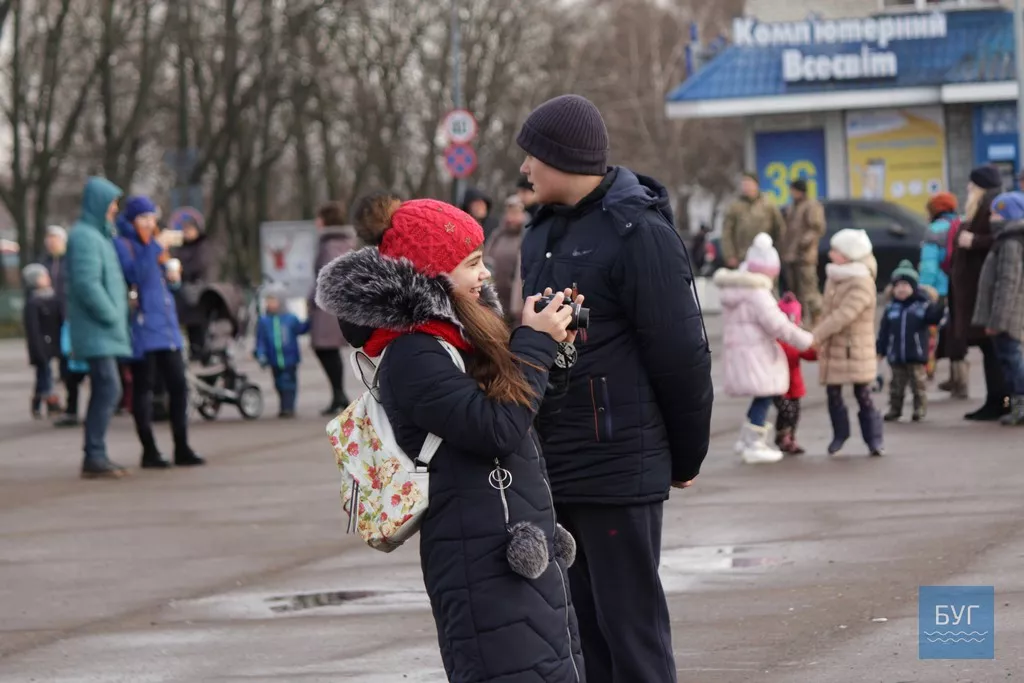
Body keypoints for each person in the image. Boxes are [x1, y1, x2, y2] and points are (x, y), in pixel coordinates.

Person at [314, 196, 585, 683]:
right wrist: (534, 344)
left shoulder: (462, 339)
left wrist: (555, 354)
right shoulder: (415, 353)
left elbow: (529, 421)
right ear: (433, 272)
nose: (485, 274)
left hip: (514, 543)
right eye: (472, 263)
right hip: (480, 559)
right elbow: (495, 430)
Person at [517, 94, 712, 683]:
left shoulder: (640, 233)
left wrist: (686, 457)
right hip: (556, 467)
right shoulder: (541, 232)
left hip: (620, 466)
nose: (525, 169)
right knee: (583, 638)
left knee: (632, 634)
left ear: (563, 158)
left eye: (532, 156)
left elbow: (681, 356)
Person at [114, 196, 205, 469]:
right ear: (132, 220)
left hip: (167, 327)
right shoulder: (124, 244)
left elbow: (162, 284)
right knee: (144, 389)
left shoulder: (156, 245)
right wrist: (155, 246)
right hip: (143, 328)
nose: (149, 222)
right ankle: (149, 449)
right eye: (143, 217)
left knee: (179, 386)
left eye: (152, 217)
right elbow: (135, 275)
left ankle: (182, 446)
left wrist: (173, 278)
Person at [713, 234, 813, 464]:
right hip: (757, 352)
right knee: (765, 393)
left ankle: (747, 438)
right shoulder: (758, 293)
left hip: (741, 351)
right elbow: (777, 324)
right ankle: (753, 443)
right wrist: (806, 340)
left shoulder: (736, 289)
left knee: (762, 394)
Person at [65, 177, 131, 479]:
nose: (115, 208)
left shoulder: (98, 236)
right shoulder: (85, 237)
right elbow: (86, 284)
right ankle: (94, 455)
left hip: (102, 329)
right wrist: (112, 314)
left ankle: (96, 453)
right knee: (108, 387)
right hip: (97, 328)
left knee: (107, 388)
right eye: (112, 202)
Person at [812, 228, 884, 457]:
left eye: (836, 250)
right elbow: (827, 312)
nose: (830, 254)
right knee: (833, 393)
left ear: (849, 254)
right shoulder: (835, 276)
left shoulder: (862, 281)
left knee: (863, 393)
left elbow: (844, 315)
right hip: (834, 347)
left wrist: (816, 335)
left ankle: (874, 439)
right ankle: (839, 435)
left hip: (855, 348)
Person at [949, 165, 1008, 421]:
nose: (968, 188)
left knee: (995, 349)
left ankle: (1001, 402)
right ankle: (995, 400)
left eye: (972, 185)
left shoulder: (994, 206)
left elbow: (1006, 237)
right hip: (977, 290)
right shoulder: (980, 207)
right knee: (989, 348)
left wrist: (974, 241)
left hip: (987, 290)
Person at [972, 192, 1024, 426]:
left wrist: (997, 321)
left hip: (1009, 317)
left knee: (1013, 363)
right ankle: (1016, 408)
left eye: (995, 213)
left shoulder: (1010, 243)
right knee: (1008, 362)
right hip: (1008, 315)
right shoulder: (1005, 239)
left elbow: (1007, 283)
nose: (991, 218)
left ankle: (1020, 408)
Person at [878, 261, 945, 423]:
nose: (901, 289)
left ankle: (919, 408)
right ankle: (895, 409)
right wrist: (880, 349)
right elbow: (884, 331)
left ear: (914, 287)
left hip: (916, 354)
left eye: (905, 285)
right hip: (896, 355)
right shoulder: (891, 309)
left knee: (918, 385)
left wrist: (940, 306)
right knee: (896, 385)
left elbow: (933, 319)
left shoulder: (922, 306)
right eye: (898, 286)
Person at [309, 201, 356, 416]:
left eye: (319, 218)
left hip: (326, 305)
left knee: (325, 348)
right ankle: (338, 394)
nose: (316, 222)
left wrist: (313, 298)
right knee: (328, 349)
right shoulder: (342, 242)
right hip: (333, 304)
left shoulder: (330, 245)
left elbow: (326, 276)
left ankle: (339, 394)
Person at [920, 192, 961, 392]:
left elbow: (929, 265)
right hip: (960, 288)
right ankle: (959, 378)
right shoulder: (962, 224)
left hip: (940, 290)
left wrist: (925, 288)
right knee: (956, 332)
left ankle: (927, 370)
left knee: (931, 331)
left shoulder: (934, 230)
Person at [255, 289, 309, 418]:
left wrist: (310, 320)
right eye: (268, 301)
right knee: (279, 383)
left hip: (290, 359)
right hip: (274, 359)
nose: (270, 304)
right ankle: (284, 405)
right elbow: (260, 340)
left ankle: (288, 407)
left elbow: (301, 329)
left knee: (289, 383)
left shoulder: (290, 319)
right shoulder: (264, 321)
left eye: (273, 301)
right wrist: (260, 354)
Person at [779, 179, 825, 325]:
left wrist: (804, 243)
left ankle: (817, 320)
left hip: (805, 256)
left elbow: (817, 228)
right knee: (795, 291)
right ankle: (801, 320)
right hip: (791, 256)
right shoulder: (792, 207)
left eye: (793, 190)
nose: (791, 193)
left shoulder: (812, 206)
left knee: (809, 290)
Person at [776, 293, 817, 455]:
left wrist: (817, 352)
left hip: (794, 385)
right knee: (787, 412)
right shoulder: (776, 340)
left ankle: (790, 438)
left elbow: (807, 353)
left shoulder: (795, 339)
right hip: (779, 385)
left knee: (794, 414)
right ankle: (782, 437)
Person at [21, 264, 63, 418]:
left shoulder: (54, 298)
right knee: (45, 373)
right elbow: (33, 329)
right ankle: (51, 402)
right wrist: (37, 348)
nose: (47, 278)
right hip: (41, 344)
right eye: (42, 276)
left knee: (44, 375)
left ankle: (38, 400)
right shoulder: (33, 303)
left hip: (54, 341)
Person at [722, 171, 786, 270]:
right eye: (744, 185)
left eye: (749, 184)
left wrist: (779, 252)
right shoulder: (735, 207)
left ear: (756, 185)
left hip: (765, 257)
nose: (746, 187)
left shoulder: (768, 205)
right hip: (742, 257)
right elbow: (727, 232)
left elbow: (780, 229)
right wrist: (730, 255)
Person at [173, 217, 216, 361]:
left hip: (198, 292)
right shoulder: (181, 248)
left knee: (200, 325)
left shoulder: (202, 246)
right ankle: (195, 351)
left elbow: (201, 265)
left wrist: (184, 270)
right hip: (185, 293)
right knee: (190, 325)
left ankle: (203, 352)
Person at [483, 194, 528, 325]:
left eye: (516, 213)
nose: (512, 218)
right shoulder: (497, 235)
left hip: (516, 304)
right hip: (496, 299)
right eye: (509, 213)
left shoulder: (526, 236)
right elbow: (487, 260)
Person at [40, 225, 68, 301]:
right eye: (49, 241)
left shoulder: (71, 261)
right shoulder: (42, 263)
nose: (52, 244)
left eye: (55, 241)